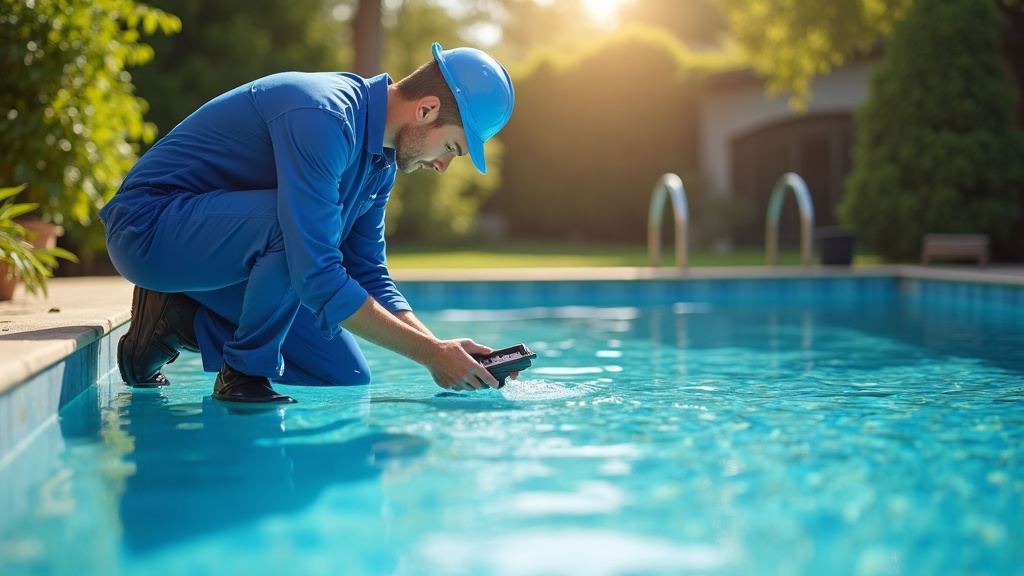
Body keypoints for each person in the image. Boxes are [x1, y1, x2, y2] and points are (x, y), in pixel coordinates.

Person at [100, 43, 515, 404]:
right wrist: (430, 355)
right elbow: (315, 273)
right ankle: (243, 373)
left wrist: (439, 347)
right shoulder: (325, 114)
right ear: (426, 110)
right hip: (148, 229)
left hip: (214, 251)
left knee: (343, 374)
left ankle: (176, 320)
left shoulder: (380, 164)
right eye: (451, 148)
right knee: (292, 231)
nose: (442, 166)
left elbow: (368, 271)